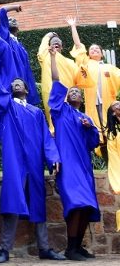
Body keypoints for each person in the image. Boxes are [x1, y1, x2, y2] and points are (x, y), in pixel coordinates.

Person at [0, 37, 65, 263]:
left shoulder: (37, 112)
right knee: (12, 202)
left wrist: (54, 158)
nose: (16, 84)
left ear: (27, 90)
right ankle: (4, 249)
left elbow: (48, 139)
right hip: (15, 161)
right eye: (14, 84)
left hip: (35, 161)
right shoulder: (7, 106)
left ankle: (44, 248)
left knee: (38, 203)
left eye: (20, 83)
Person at [48, 45, 100, 261]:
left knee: (87, 206)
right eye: (72, 91)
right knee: (76, 203)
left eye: (78, 91)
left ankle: (78, 247)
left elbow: (92, 143)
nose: (75, 92)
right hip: (68, 167)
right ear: (67, 98)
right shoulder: (61, 112)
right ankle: (70, 248)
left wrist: (90, 128)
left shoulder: (84, 118)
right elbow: (55, 82)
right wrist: (53, 58)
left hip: (84, 167)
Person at [67, 17, 120, 147]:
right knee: (95, 130)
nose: (94, 50)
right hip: (92, 103)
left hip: (108, 103)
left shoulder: (110, 68)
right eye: (92, 49)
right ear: (89, 54)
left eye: (97, 49)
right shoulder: (86, 63)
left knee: (111, 129)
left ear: (102, 54)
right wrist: (73, 27)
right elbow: (79, 46)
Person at [0, 5, 39, 106]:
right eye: (9, 19)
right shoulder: (5, 38)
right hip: (11, 81)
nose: (13, 20)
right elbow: (1, 12)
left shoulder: (20, 45)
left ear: (18, 28)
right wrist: (14, 7)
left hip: (23, 83)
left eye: (15, 20)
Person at [38, 23, 79, 127]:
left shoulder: (70, 62)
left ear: (62, 47)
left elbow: (78, 77)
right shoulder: (45, 56)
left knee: (69, 119)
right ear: (48, 46)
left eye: (58, 42)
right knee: (54, 120)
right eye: (53, 42)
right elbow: (43, 44)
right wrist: (49, 34)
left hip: (67, 94)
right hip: (50, 92)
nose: (56, 42)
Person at [105, 101, 120, 196]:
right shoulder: (113, 134)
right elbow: (114, 158)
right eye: (116, 105)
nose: (119, 104)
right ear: (113, 113)